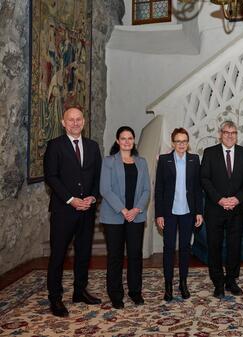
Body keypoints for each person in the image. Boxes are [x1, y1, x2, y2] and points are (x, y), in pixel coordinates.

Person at [43, 107, 102, 317]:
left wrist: (93, 197)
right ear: (63, 122)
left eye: (78, 119)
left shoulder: (93, 147)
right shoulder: (55, 146)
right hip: (63, 210)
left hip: (87, 209)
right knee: (58, 255)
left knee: (84, 252)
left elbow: (97, 177)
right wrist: (71, 200)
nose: (75, 123)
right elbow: (51, 177)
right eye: (71, 120)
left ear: (83, 122)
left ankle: (79, 291)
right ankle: (55, 298)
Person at [200, 121, 243, 298]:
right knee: (214, 246)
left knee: (234, 246)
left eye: (233, 132)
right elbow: (205, 179)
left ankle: (231, 280)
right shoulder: (209, 153)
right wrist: (220, 199)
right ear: (220, 134)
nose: (230, 135)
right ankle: (218, 283)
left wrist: (237, 199)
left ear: (236, 135)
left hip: (237, 210)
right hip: (215, 209)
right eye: (226, 132)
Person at [100, 126, 150, 309]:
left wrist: (136, 209)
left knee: (135, 255)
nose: (127, 141)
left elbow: (146, 189)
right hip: (114, 216)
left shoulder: (141, 162)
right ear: (117, 141)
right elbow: (105, 189)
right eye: (123, 138)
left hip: (136, 216)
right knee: (115, 256)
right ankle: (115, 294)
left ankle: (135, 292)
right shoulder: (108, 162)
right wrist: (123, 210)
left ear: (134, 140)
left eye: (130, 138)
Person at [154, 128, 203, 301]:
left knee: (184, 249)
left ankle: (183, 283)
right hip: (169, 213)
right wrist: (158, 214)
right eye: (178, 141)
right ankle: (168, 285)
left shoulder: (194, 159)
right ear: (173, 142)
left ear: (188, 143)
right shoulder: (164, 160)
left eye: (184, 141)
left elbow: (198, 188)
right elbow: (159, 188)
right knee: (168, 249)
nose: (181, 144)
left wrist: (199, 212)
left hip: (188, 212)